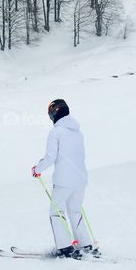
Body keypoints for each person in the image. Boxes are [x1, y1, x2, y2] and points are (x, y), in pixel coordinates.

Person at [31, 99, 93, 258]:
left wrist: (37, 169)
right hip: (80, 180)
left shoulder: (56, 132)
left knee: (56, 213)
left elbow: (50, 157)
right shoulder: (78, 133)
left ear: (54, 113)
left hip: (64, 181)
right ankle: (85, 245)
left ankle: (65, 248)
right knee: (76, 211)